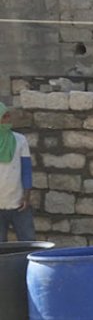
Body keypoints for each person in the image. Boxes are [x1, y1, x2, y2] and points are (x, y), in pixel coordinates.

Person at [0, 102, 35, 243]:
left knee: (28, 243)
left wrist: (26, 196)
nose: (8, 119)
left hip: (18, 203)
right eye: (4, 116)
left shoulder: (20, 140)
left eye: (8, 116)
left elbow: (26, 169)